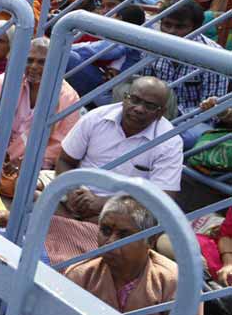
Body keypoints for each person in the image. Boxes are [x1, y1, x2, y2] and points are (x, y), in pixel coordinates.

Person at [63, 196, 202, 315]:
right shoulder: (79, 275)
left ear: (151, 240)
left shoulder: (178, 284)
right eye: (105, 231)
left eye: (124, 235)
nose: (110, 242)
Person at [55, 76, 183, 221]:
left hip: (123, 212)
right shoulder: (96, 118)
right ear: (125, 99)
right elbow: (65, 160)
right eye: (135, 100)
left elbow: (163, 200)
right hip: (78, 196)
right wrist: (72, 192)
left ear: (160, 113)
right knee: (31, 193)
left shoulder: (169, 141)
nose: (139, 109)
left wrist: (105, 204)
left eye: (150, 106)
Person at [0, 36, 81, 172]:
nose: (34, 67)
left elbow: (59, 145)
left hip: (26, 164)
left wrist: (24, 162)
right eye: (29, 60)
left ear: (55, 64)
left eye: (42, 62)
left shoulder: (68, 97)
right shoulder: (13, 78)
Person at [142, 0, 229, 148]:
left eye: (180, 27)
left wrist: (169, 124)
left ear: (196, 28)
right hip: (152, 110)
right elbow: (145, 85)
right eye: (167, 24)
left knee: (195, 139)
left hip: (191, 120)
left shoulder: (214, 56)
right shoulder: (152, 44)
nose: (171, 31)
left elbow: (211, 111)